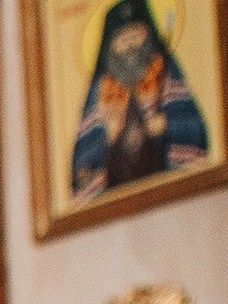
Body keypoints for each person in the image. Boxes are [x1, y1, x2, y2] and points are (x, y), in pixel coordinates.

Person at [72, 0, 211, 202]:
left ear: (149, 37)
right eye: (122, 39)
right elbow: (81, 174)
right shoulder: (100, 91)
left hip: (170, 194)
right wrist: (108, 139)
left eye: (136, 35)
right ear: (109, 47)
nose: (130, 44)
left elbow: (196, 134)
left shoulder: (165, 75)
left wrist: (165, 125)